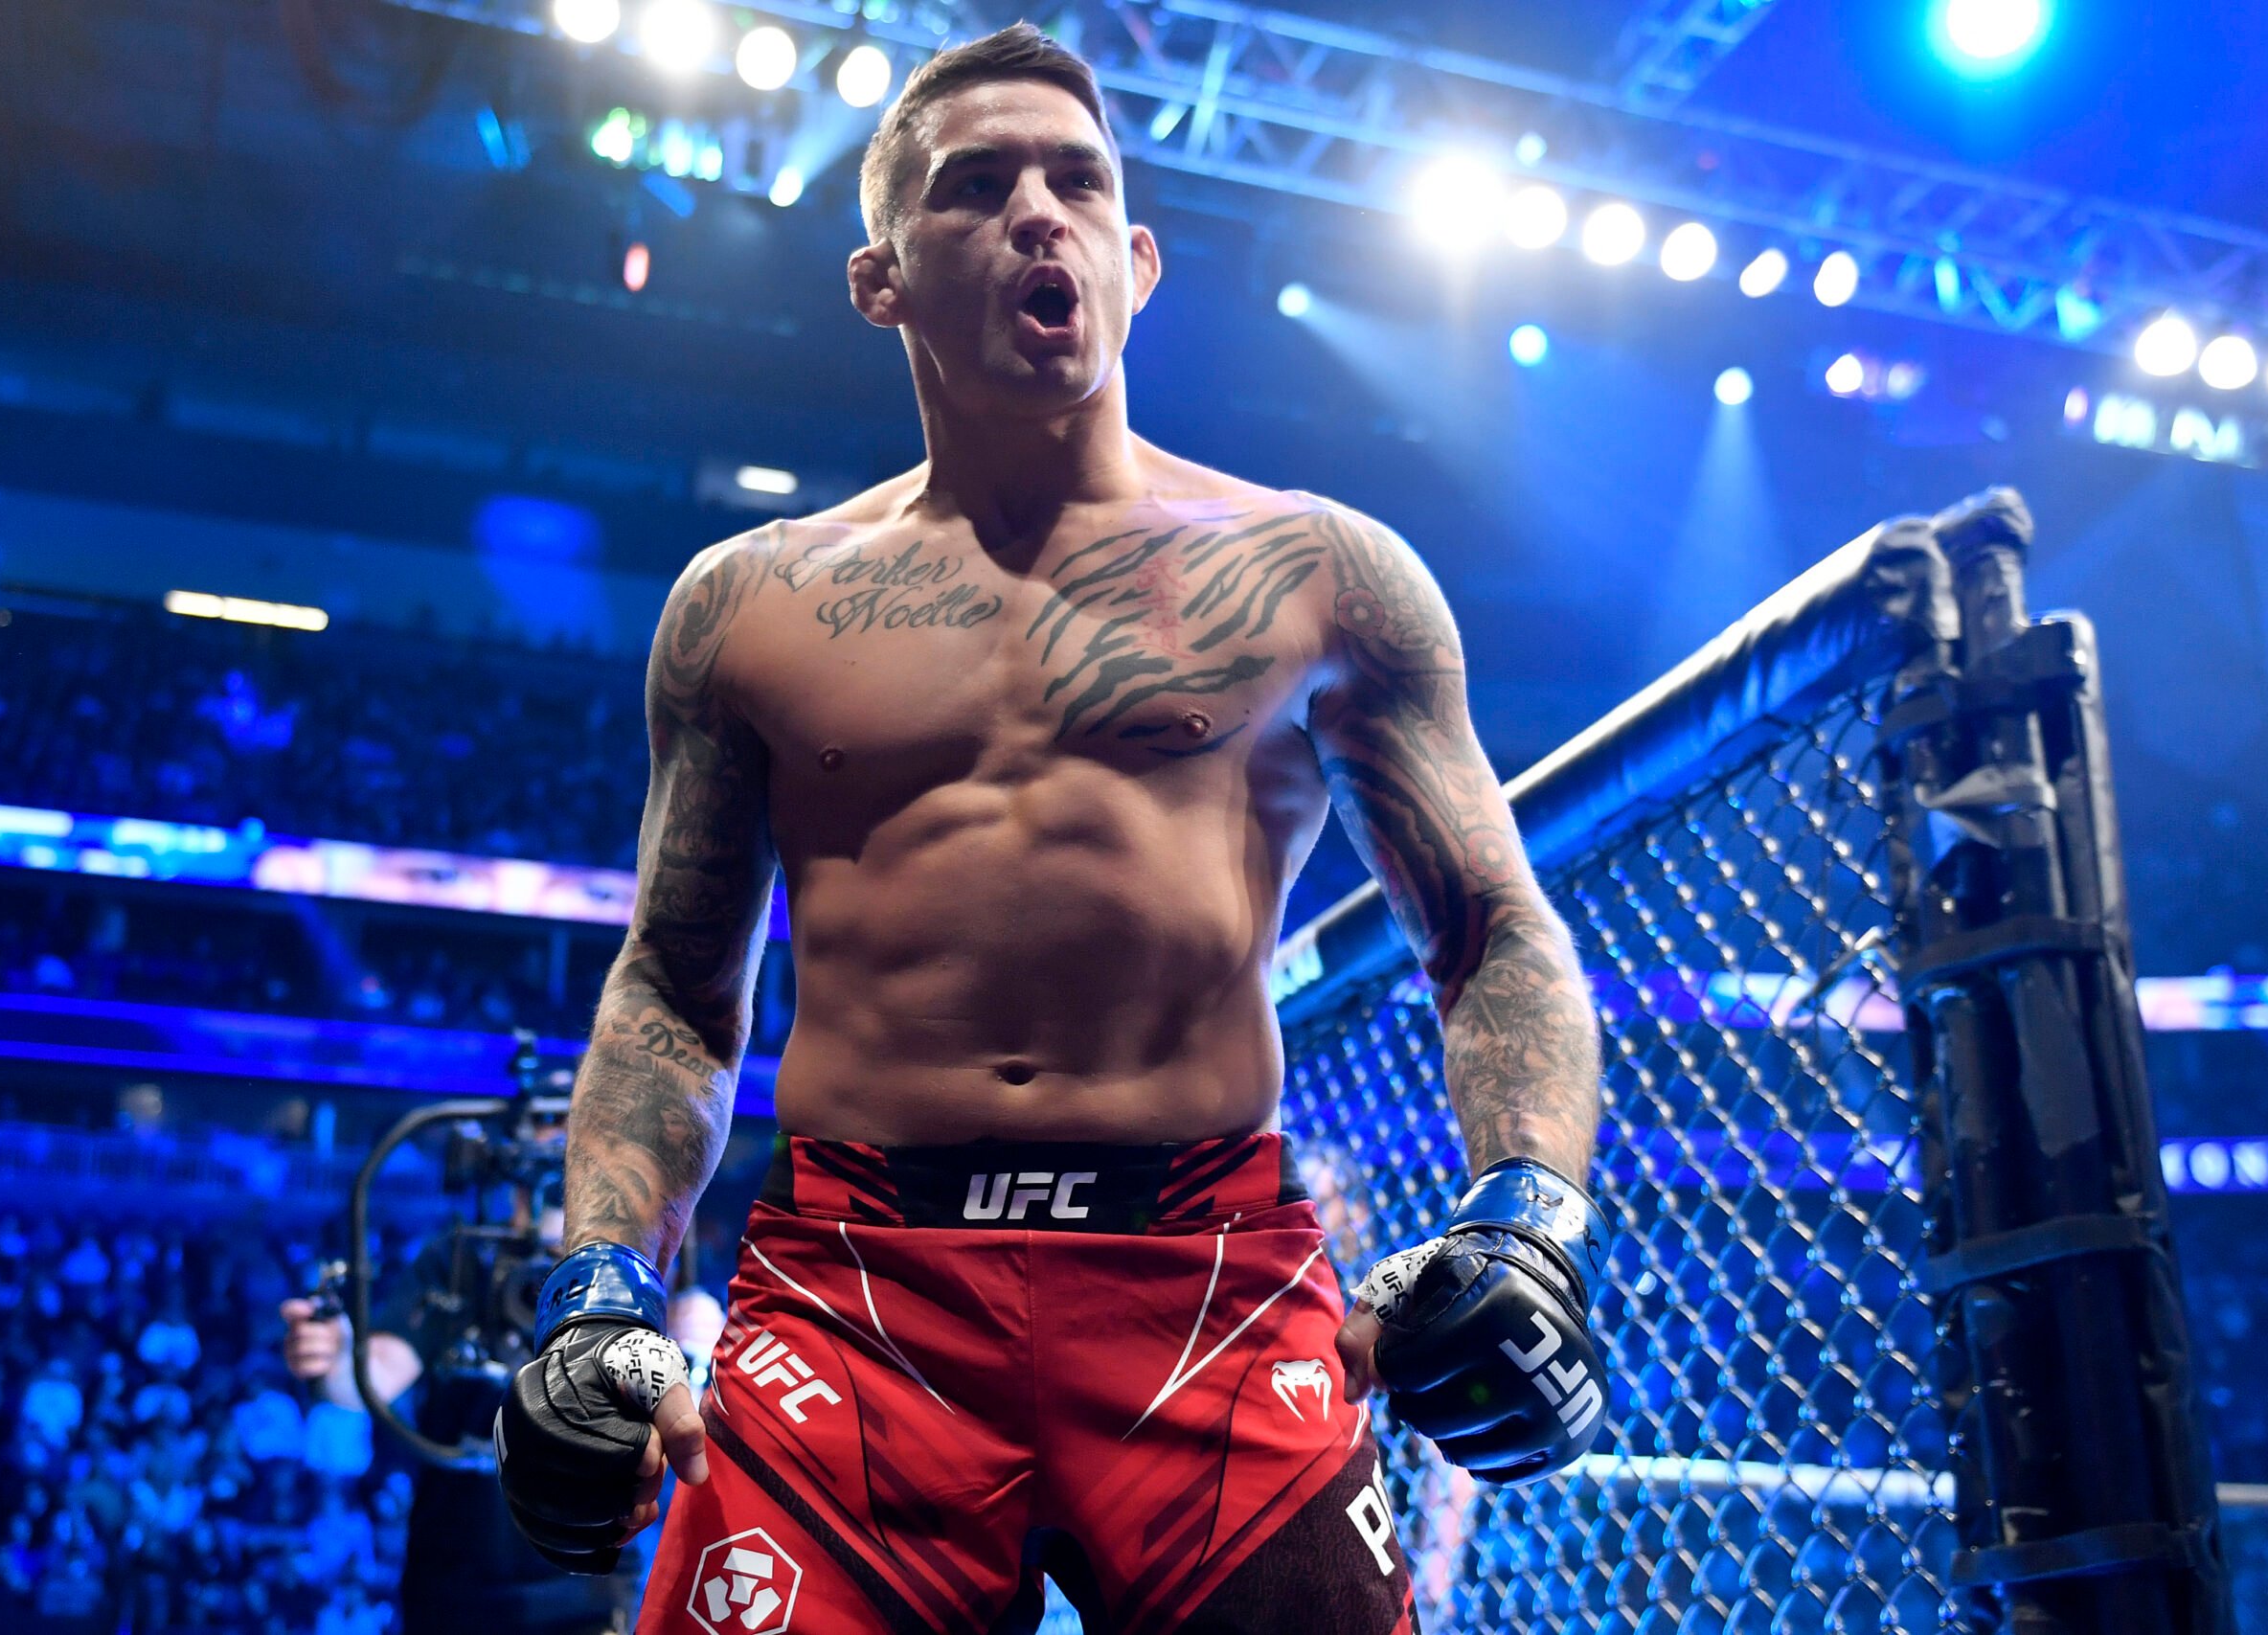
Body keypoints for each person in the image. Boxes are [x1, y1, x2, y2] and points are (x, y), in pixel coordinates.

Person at [493, 24, 1613, 1635]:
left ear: (1138, 259)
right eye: (979, 185)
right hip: (857, 1288)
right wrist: (601, 1279)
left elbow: (1496, 929)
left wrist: (1529, 1218)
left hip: (1206, 1276)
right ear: (879, 280)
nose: (1041, 212)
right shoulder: (749, 606)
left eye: (1078, 181)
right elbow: (676, 984)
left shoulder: (1321, 573)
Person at [283, 1200, 723, 1633]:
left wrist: (701, 1353)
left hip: (589, 1591)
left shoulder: (633, 1269)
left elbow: (688, 1426)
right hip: (453, 1586)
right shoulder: (464, 1257)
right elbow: (371, 1377)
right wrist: (340, 1359)